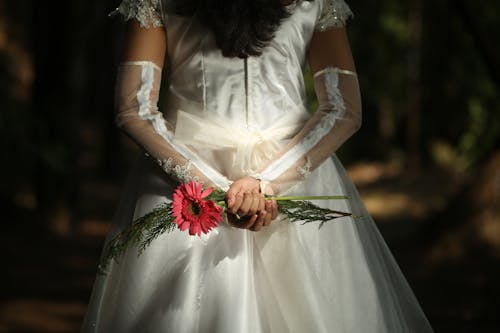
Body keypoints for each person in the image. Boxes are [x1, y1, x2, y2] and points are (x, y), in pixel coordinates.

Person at [82, 0, 433, 331]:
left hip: (214, 178)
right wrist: (245, 188)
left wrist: (257, 185)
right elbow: (133, 108)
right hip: (204, 185)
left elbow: (135, 108)